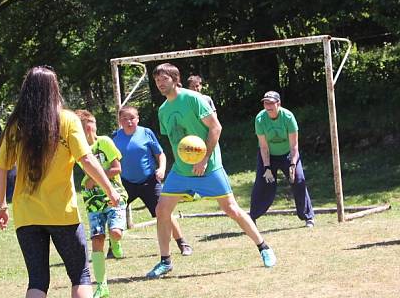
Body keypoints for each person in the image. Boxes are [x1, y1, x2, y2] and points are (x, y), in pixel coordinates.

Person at [0, 65, 118, 298]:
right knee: (81, 275)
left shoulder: (16, 126)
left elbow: (0, 168)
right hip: (62, 213)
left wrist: (1, 205)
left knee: (37, 279)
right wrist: (110, 189)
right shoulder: (67, 120)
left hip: (26, 214)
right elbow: (86, 159)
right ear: (54, 90)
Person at [146, 63, 276, 279]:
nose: (160, 83)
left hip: (209, 167)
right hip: (181, 170)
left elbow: (216, 128)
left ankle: (264, 248)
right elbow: (175, 139)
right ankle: (165, 261)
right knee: (162, 210)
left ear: (175, 79)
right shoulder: (163, 110)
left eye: (164, 79)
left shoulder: (194, 99)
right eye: (157, 80)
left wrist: (204, 159)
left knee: (232, 209)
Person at [112, 106, 193, 257]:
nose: (129, 122)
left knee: (165, 212)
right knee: (115, 212)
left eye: (132, 118)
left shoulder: (146, 133)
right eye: (125, 119)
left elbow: (160, 154)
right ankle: (113, 247)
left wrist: (162, 168)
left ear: (138, 119)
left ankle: (183, 244)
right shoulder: (115, 137)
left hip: (149, 181)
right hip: (125, 183)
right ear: (120, 121)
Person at [75, 109, 128, 298]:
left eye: (90, 127)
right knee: (97, 239)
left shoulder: (104, 141)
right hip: (92, 199)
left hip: (114, 194)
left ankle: (115, 242)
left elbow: (117, 168)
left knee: (115, 233)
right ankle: (102, 287)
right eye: (84, 128)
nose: (89, 131)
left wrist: (96, 179)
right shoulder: (77, 149)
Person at [249, 91, 315, 228]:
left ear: (278, 103)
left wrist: (292, 164)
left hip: (287, 154)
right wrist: (267, 167)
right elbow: (263, 146)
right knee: (262, 184)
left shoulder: (288, 117)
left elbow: (294, 145)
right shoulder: (260, 119)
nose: (268, 106)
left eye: (271, 103)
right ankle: (253, 217)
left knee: (299, 179)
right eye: (265, 103)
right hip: (268, 155)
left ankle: (308, 217)